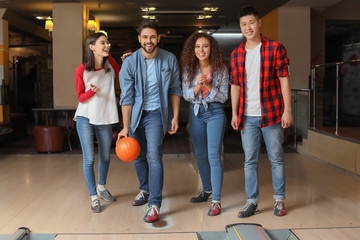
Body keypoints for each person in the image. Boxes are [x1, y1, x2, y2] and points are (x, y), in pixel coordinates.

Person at [230, 6, 293, 218]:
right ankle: (252, 201)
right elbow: (235, 85)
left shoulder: (275, 48)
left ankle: (279, 199)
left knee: (276, 157)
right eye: (243, 24)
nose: (248, 27)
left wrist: (287, 110)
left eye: (251, 23)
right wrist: (234, 113)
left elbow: (284, 80)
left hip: (273, 113)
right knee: (250, 160)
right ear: (241, 27)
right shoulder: (237, 54)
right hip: (247, 117)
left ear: (259, 23)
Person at [118, 20, 182, 223]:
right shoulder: (129, 63)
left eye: (152, 37)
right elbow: (126, 97)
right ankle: (144, 189)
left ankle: (154, 203)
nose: (149, 41)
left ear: (158, 39)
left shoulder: (169, 59)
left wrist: (175, 116)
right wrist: (126, 127)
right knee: (137, 155)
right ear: (139, 39)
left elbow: (174, 89)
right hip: (136, 115)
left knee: (154, 156)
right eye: (145, 37)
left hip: (156, 113)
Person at [181, 32, 229, 216]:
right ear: (193, 50)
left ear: (212, 49)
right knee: (200, 154)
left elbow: (224, 97)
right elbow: (186, 95)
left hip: (215, 113)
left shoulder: (221, 69)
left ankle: (216, 200)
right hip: (196, 113)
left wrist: (208, 86)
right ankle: (207, 190)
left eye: (205, 46)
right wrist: (196, 86)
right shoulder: (188, 69)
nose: (201, 50)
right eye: (197, 47)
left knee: (214, 155)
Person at [74, 32, 121, 213]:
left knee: (106, 156)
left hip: (105, 116)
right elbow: (80, 97)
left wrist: (128, 61)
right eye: (102, 43)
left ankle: (101, 187)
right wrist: (92, 92)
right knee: (89, 159)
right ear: (91, 46)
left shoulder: (110, 65)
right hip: (85, 116)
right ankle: (94, 197)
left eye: (107, 43)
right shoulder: (81, 70)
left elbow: (123, 73)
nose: (106, 45)